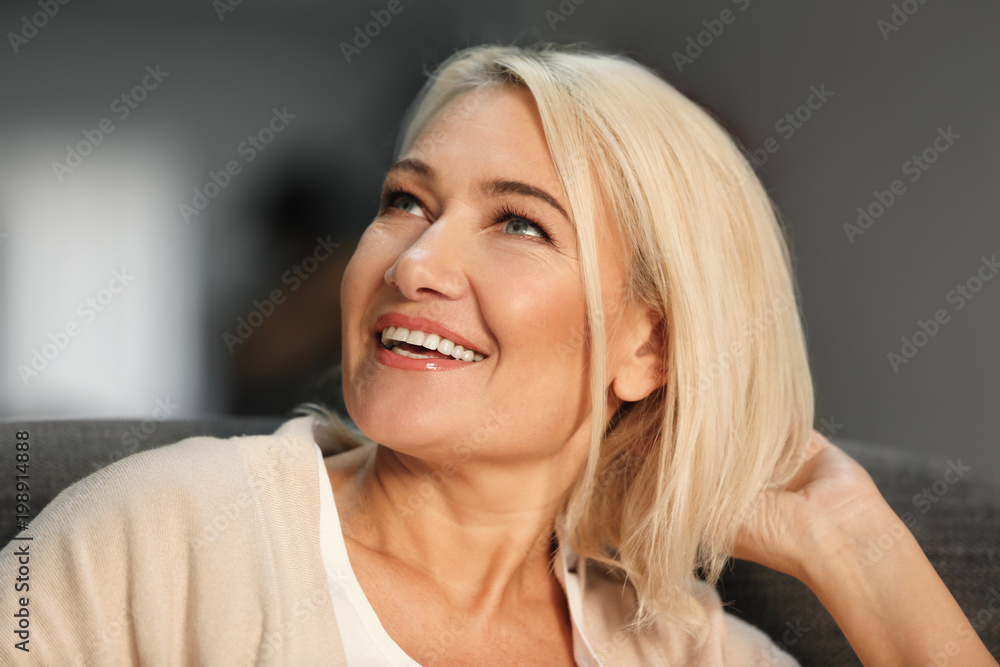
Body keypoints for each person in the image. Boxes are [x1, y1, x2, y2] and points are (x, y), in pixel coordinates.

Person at [0, 42, 994, 666]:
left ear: (648, 345)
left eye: (519, 223)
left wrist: (854, 546)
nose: (414, 263)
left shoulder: (683, 650)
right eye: (407, 202)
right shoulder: (162, 532)